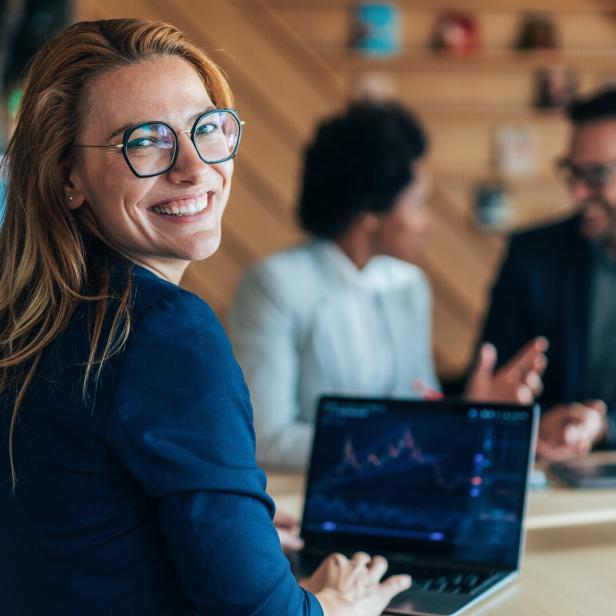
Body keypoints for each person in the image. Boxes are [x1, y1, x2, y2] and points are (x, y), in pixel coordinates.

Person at [0, 19, 414, 615]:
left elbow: (77, 529)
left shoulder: (35, 315)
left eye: (207, 129)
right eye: (144, 140)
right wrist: (341, 604)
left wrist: (234, 535)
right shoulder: (167, 331)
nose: (193, 168)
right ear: (69, 177)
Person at [229, 101, 547, 470]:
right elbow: (266, 439)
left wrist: (469, 414)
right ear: (369, 216)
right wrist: (409, 438)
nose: (427, 222)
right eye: (418, 204)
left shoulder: (409, 286)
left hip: (397, 490)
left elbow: (418, 404)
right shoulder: (275, 284)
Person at [480, 88, 616, 461]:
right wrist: (529, 423)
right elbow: (491, 379)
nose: (577, 192)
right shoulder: (531, 256)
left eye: (597, 175)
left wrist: (604, 426)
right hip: (548, 472)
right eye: (572, 172)